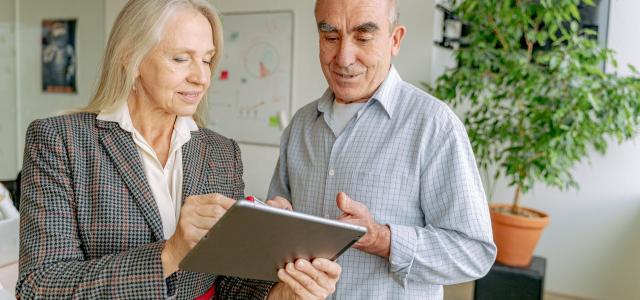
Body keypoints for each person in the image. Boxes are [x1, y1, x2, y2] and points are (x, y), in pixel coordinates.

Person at [17, 0, 340, 299]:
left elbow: (228, 282)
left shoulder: (221, 152)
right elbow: (39, 285)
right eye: (181, 58)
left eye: (207, 60)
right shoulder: (60, 141)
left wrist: (285, 291)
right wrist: (170, 254)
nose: (201, 77)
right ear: (132, 57)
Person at [267, 0, 497, 298]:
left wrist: (382, 239)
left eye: (363, 37)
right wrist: (275, 225)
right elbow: (276, 236)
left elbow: (474, 253)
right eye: (331, 37)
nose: (344, 57)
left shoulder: (434, 125)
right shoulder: (300, 125)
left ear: (395, 39)